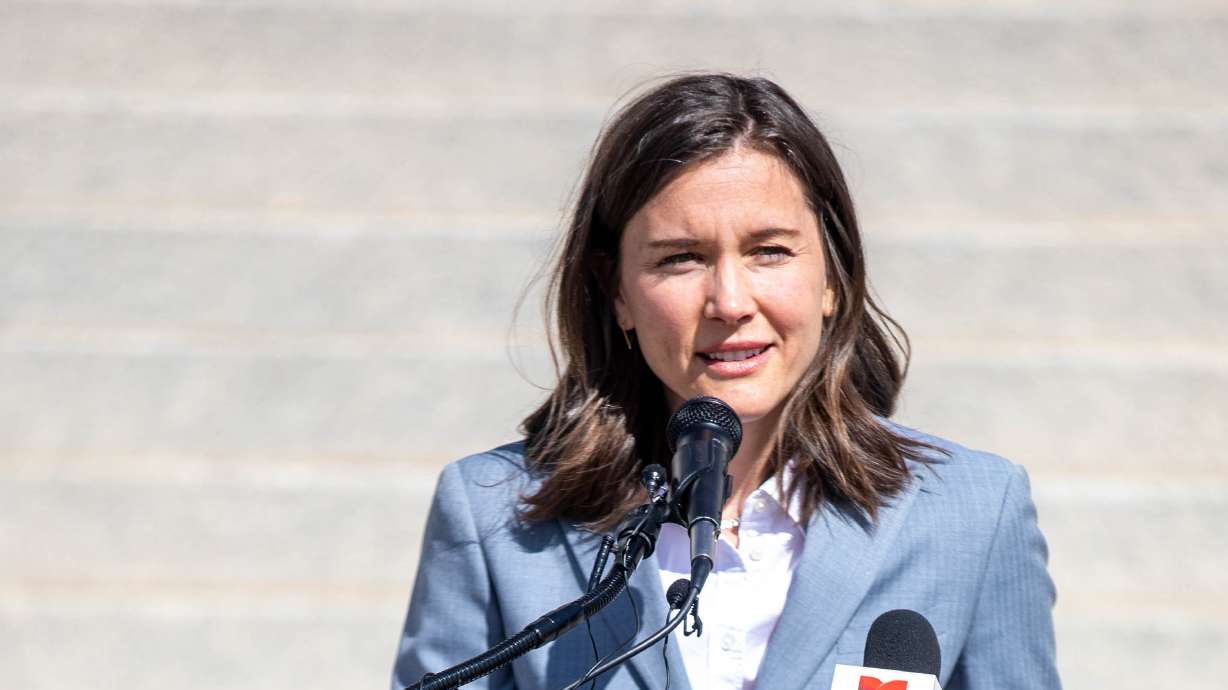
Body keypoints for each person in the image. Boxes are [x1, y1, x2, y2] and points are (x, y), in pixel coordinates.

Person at [391, 73, 1060, 690]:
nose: (730, 302)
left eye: (770, 251)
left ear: (833, 276)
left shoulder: (974, 510)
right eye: (681, 258)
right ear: (616, 291)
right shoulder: (491, 515)